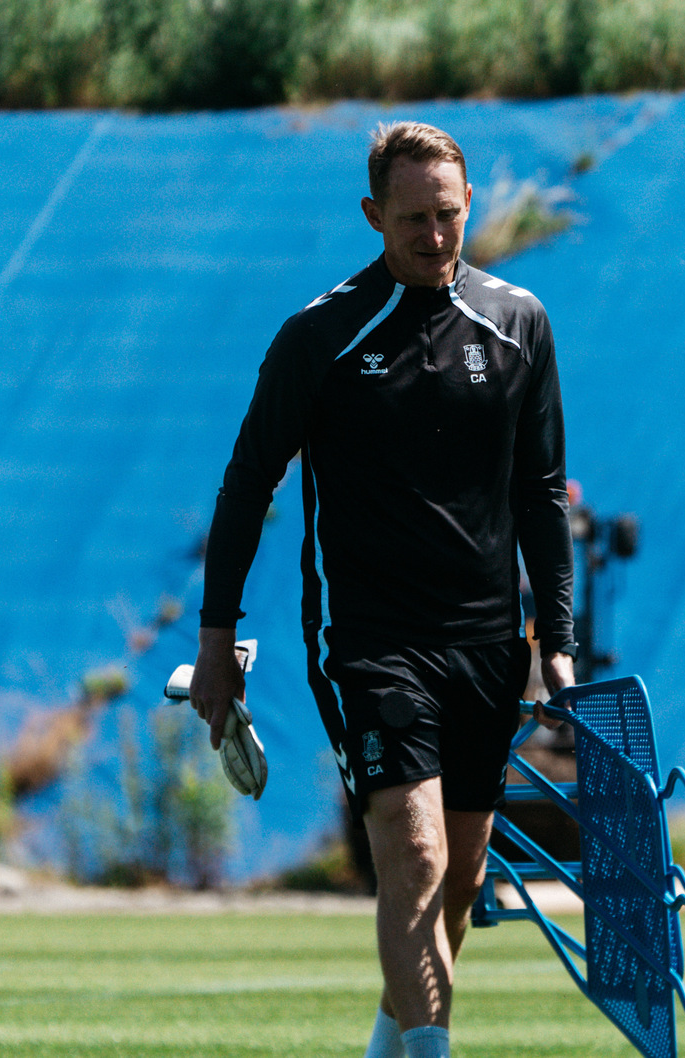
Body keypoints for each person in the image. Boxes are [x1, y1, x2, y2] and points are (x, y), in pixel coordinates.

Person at [187, 121, 578, 1058]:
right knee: (415, 854)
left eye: (447, 215)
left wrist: (557, 642)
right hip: (368, 640)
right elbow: (246, 486)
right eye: (411, 220)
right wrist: (214, 640)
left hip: (488, 641)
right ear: (372, 215)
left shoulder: (519, 322)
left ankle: (388, 1046)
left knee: (459, 881)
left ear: (469, 204)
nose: (433, 236)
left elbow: (539, 491)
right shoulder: (318, 336)